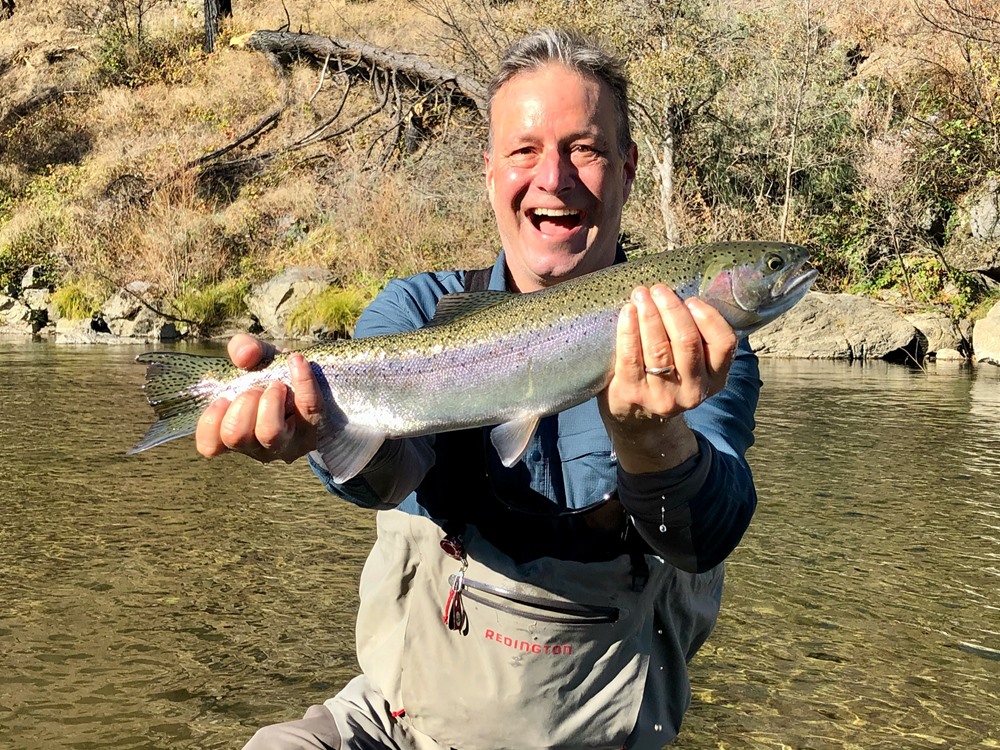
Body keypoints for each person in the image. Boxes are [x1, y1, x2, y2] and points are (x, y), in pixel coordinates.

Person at [196, 27, 760, 750]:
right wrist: (317, 428)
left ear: (626, 169)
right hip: (399, 722)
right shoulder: (416, 310)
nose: (553, 179)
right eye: (525, 151)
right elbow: (389, 475)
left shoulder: (697, 344)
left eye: (582, 149)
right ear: (490, 171)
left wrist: (653, 441)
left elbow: (702, 538)